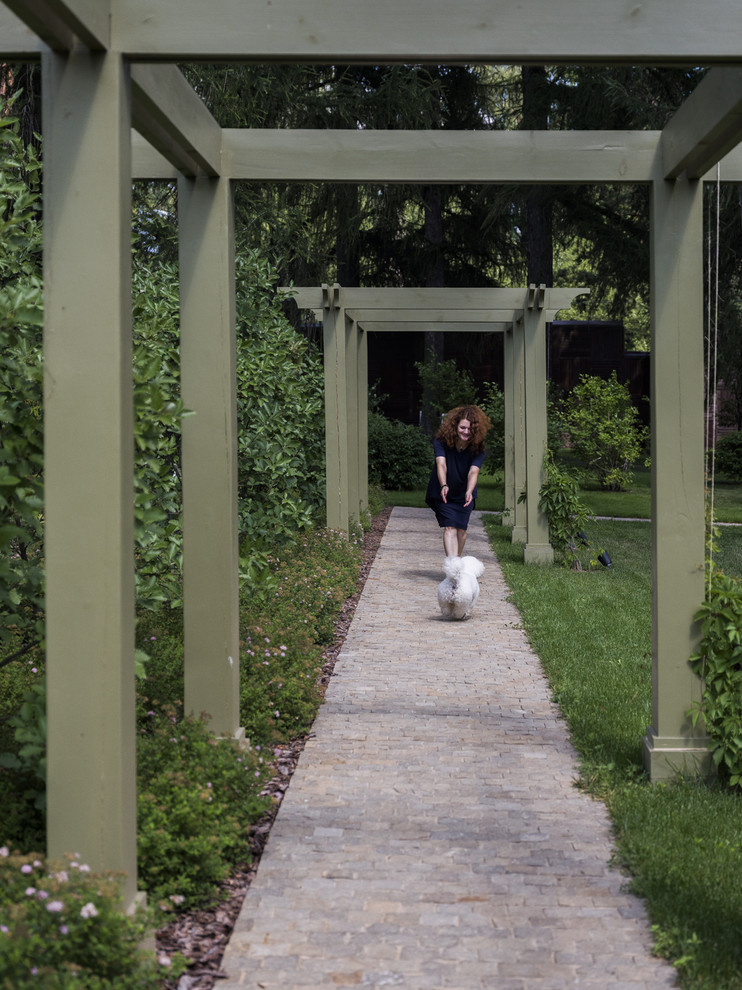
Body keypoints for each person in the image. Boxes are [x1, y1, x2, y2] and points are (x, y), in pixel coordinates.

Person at [425, 404, 492, 557]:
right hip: (444, 491)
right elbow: (441, 464)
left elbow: (473, 471)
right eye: (463, 427)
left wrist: (469, 490)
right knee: (450, 527)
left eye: (470, 429)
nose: (466, 432)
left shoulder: (479, 448)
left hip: (464, 493)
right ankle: (452, 569)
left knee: (461, 531)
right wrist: (444, 484)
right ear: (455, 426)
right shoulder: (441, 441)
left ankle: (456, 562)